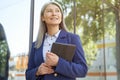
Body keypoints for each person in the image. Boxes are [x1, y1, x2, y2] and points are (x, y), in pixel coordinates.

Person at [25, 1, 88, 80]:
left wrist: (58, 62)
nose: (54, 13)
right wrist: (37, 71)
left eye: (57, 11)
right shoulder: (36, 44)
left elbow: (82, 70)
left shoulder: (72, 39)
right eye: (49, 11)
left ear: (61, 17)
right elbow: (28, 75)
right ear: (42, 17)